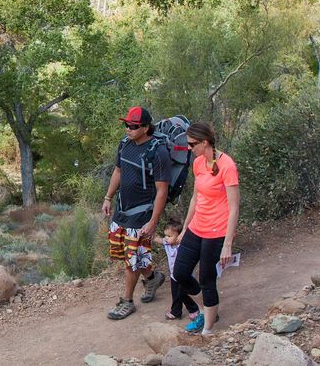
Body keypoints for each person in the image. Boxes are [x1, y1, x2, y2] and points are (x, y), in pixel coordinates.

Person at [102, 106, 169, 320]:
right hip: (122, 209)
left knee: (131, 259)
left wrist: (153, 221)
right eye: (126, 124)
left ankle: (127, 301)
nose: (128, 129)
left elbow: (162, 191)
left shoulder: (157, 152)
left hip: (142, 214)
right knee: (127, 253)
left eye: (133, 126)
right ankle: (152, 278)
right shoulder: (125, 144)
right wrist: (108, 198)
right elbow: (118, 171)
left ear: (146, 127)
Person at [172, 122, 240, 335]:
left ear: (205, 142)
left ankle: (208, 328)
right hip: (196, 227)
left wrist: (227, 244)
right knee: (180, 272)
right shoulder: (198, 163)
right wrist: (184, 229)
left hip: (216, 231)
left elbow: (234, 207)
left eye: (192, 144)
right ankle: (208, 307)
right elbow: (195, 197)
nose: (190, 149)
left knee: (207, 280)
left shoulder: (227, 165)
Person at [158, 219, 200, 321]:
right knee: (175, 294)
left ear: (179, 236)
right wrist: (147, 232)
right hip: (173, 275)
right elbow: (157, 239)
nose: (166, 238)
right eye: (165, 235)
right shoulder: (167, 243)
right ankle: (176, 312)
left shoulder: (183, 246)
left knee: (184, 293)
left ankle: (194, 309)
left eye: (169, 236)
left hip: (185, 276)